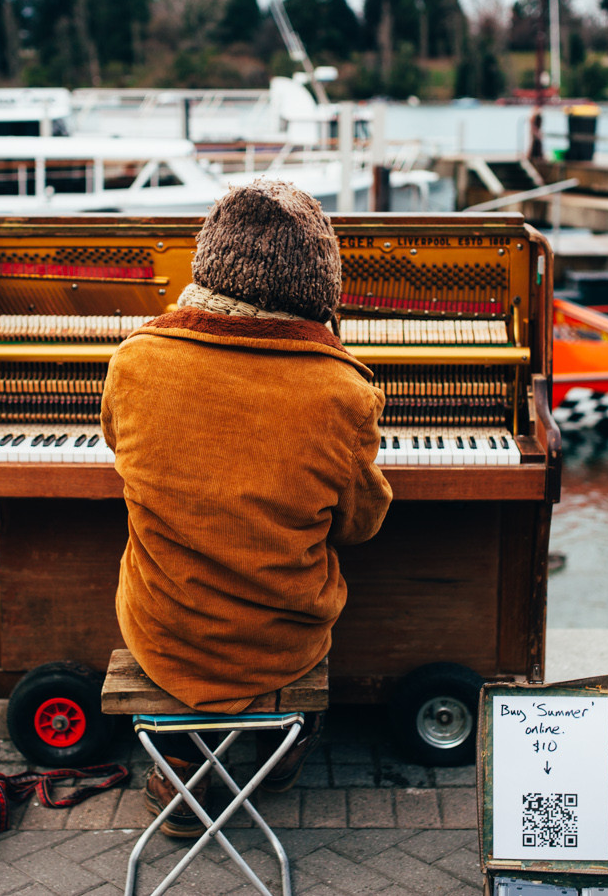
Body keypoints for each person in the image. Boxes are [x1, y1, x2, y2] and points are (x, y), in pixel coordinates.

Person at [100, 180, 393, 837]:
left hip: (164, 633)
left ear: (208, 261)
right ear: (320, 285)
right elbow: (360, 525)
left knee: (152, 567)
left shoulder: (136, 360)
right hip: (279, 647)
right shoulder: (342, 391)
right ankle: (282, 750)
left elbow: (120, 446)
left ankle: (177, 763)